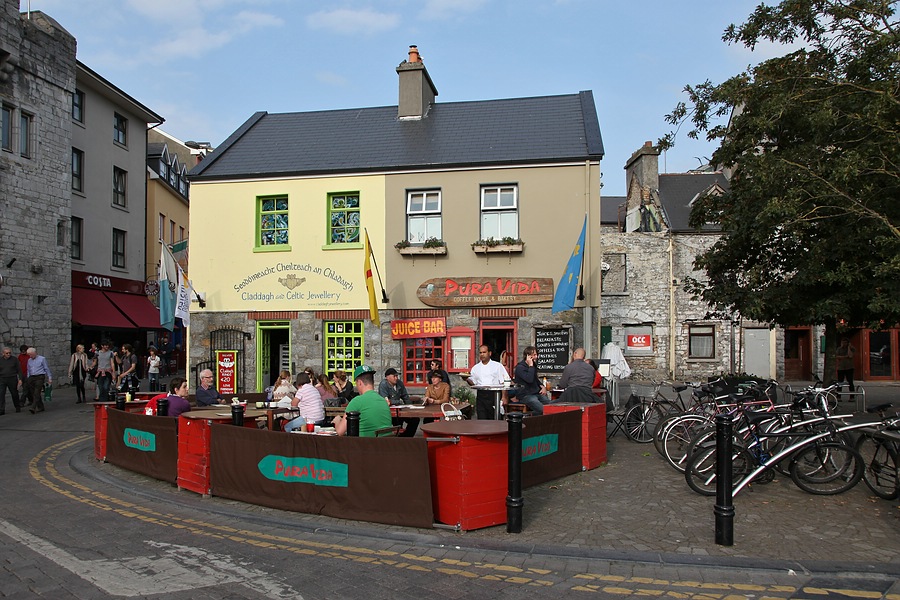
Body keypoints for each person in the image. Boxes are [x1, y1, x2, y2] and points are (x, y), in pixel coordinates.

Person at [333, 365, 392, 437]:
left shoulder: (357, 402)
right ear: (372, 382)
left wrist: (337, 421)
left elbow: (340, 432)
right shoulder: (383, 401)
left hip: (365, 443)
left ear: (359, 382)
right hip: (386, 442)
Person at [466, 345, 510, 420]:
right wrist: (466, 379)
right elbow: (473, 383)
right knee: (482, 419)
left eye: (484, 352)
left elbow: (503, 382)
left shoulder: (497, 366)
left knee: (495, 418)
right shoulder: (475, 368)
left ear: (489, 353)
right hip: (481, 395)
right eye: (480, 353)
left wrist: (504, 397)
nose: (482, 354)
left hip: (494, 395)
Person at [378, 367, 417, 437]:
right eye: (394, 376)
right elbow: (386, 401)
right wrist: (398, 402)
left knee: (415, 419)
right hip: (389, 412)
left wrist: (411, 408)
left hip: (400, 410)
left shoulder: (399, 383)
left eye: (397, 376)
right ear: (387, 377)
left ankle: (406, 437)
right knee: (397, 422)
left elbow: (405, 396)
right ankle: (399, 438)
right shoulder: (383, 385)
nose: (396, 378)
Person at [512, 346, 550, 414]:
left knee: (550, 406)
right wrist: (531, 366)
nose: (536, 357)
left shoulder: (533, 366)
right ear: (528, 356)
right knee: (542, 409)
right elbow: (529, 379)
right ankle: (530, 416)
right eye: (534, 355)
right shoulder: (520, 368)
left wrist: (542, 386)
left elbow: (535, 380)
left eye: (536, 355)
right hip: (525, 395)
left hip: (536, 393)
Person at [24, 347, 52, 414]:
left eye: (31, 354)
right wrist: (28, 377)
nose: (30, 356)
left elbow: (46, 368)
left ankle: (33, 407)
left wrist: (49, 377)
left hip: (40, 376)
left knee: (37, 392)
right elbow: (28, 369)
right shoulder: (29, 360)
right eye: (29, 355)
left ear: (34, 353)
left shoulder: (42, 359)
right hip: (31, 377)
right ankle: (41, 406)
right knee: (33, 392)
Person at [0, 346, 23, 414]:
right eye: (7, 353)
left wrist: (20, 379)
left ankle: (17, 406)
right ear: (3, 353)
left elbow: (19, 370)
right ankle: (1, 409)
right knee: (1, 394)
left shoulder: (14, 359)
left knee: (14, 393)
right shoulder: (0, 360)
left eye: (9, 353)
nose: (8, 354)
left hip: (12, 378)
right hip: (2, 379)